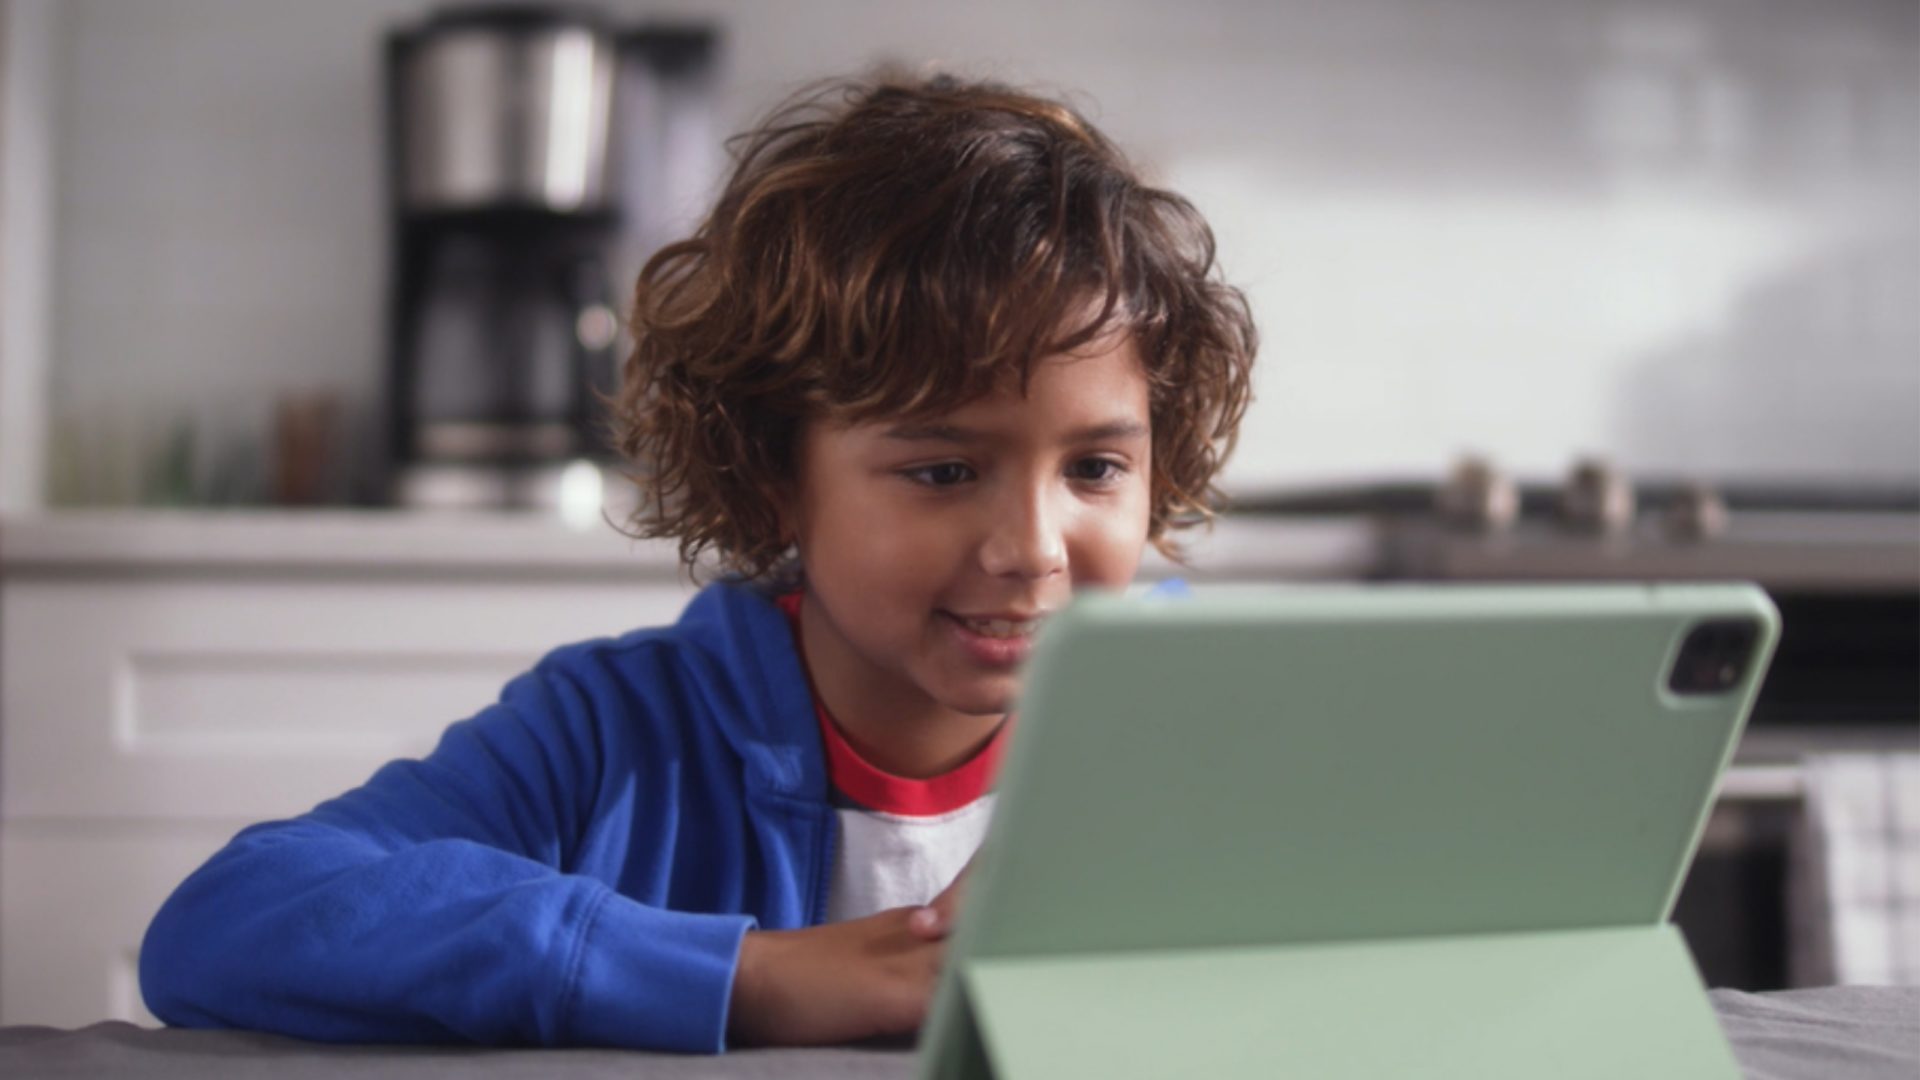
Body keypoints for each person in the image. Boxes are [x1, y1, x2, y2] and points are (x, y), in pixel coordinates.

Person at [139, 71, 1257, 1054]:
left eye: (1097, 468)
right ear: (776, 468)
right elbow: (229, 920)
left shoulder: (1201, 716)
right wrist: (750, 978)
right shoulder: (614, 734)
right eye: (944, 472)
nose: (1032, 550)